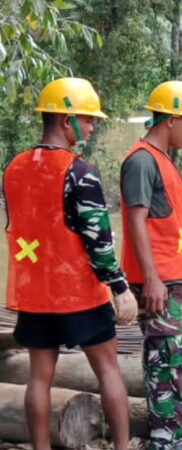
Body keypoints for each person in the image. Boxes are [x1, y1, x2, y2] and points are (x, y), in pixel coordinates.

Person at [4, 77, 137, 450]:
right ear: (67, 120)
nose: (92, 127)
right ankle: (122, 447)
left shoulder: (14, 168)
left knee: (38, 379)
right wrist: (119, 286)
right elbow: (99, 240)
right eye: (88, 119)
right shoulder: (80, 172)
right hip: (78, 293)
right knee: (108, 370)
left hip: (33, 293)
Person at [120, 81, 182, 450]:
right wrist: (151, 279)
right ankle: (164, 437)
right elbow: (134, 221)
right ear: (170, 119)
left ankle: (178, 430)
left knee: (176, 354)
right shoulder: (141, 161)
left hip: (173, 279)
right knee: (164, 356)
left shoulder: (161, 159)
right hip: (159, 281)